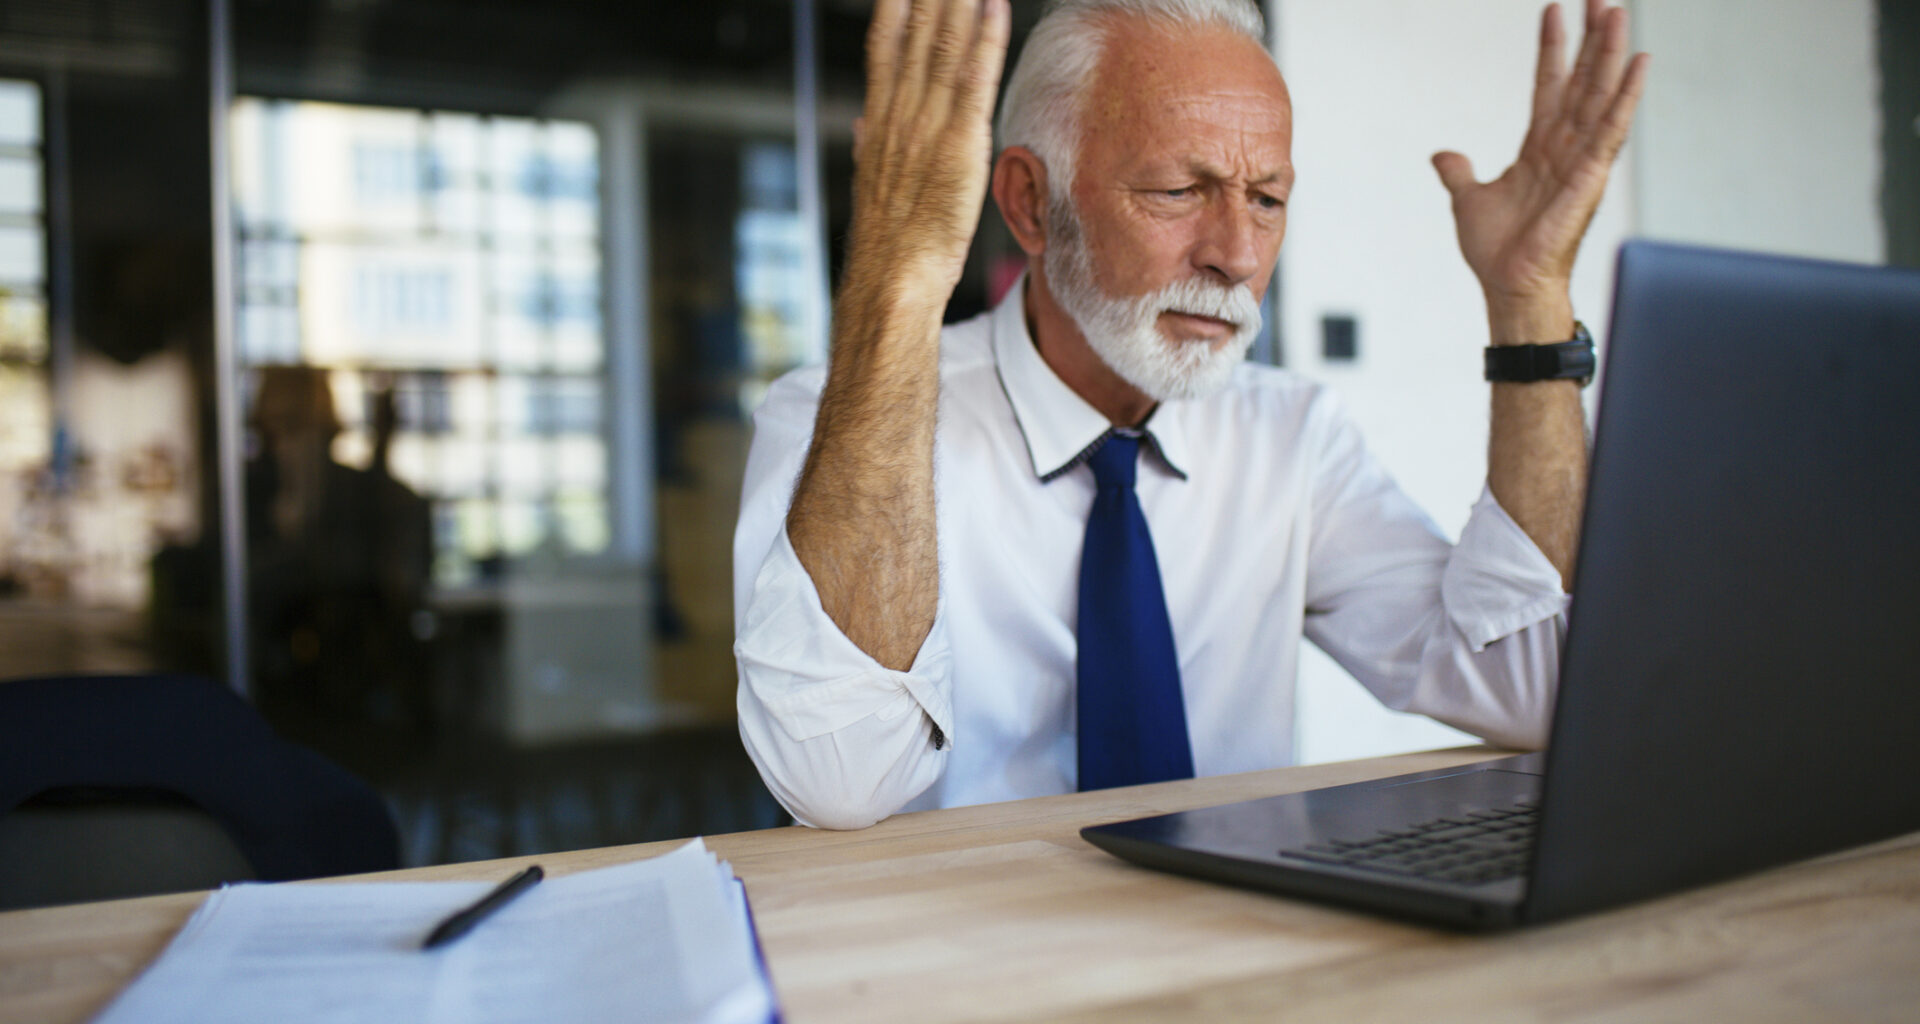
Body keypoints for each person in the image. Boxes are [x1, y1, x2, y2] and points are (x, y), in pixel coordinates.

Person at [734, 0, 1648, 828]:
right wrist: (898, 280)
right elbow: (837, 780)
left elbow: (1536, 692)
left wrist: (1529, 302)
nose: (1237, 255)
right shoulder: (834, 421)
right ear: (1029, 202)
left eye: (1267, 199)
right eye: (1177, 192)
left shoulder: (1291, 436)